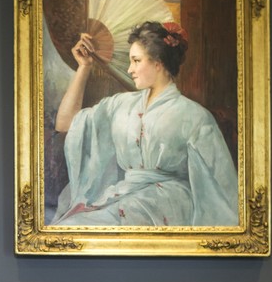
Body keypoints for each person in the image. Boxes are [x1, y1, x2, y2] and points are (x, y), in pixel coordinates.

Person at [51, 21, 238, 227]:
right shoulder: (121, 104)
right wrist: (84, 67)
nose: (130, 69)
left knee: (81, 227)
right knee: (70, 226)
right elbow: (65, 124)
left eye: (136, 61)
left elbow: (219, 187)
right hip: (126, 194)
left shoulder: (195, 116)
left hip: (169, 203)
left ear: (158, 63)